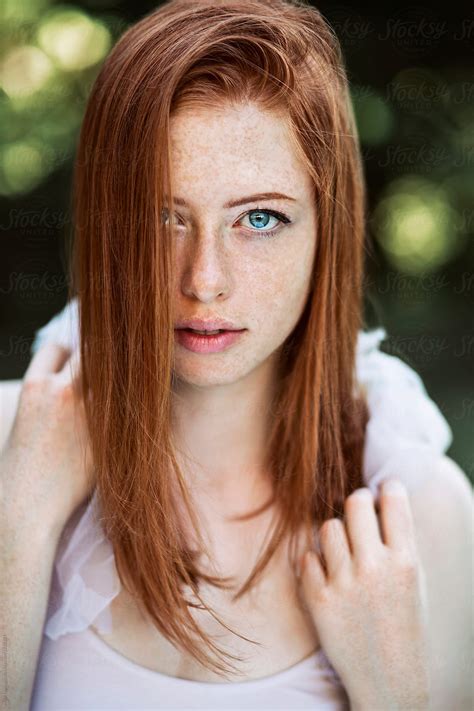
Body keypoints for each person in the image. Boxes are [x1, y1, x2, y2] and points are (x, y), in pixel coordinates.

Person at [2, 1, 471, 709]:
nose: (204, 278)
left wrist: (393, 694)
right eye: (163, 217)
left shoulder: (424, 515)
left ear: (327, 230)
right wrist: (19, 524)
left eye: (259, 218)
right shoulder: (10, 450)